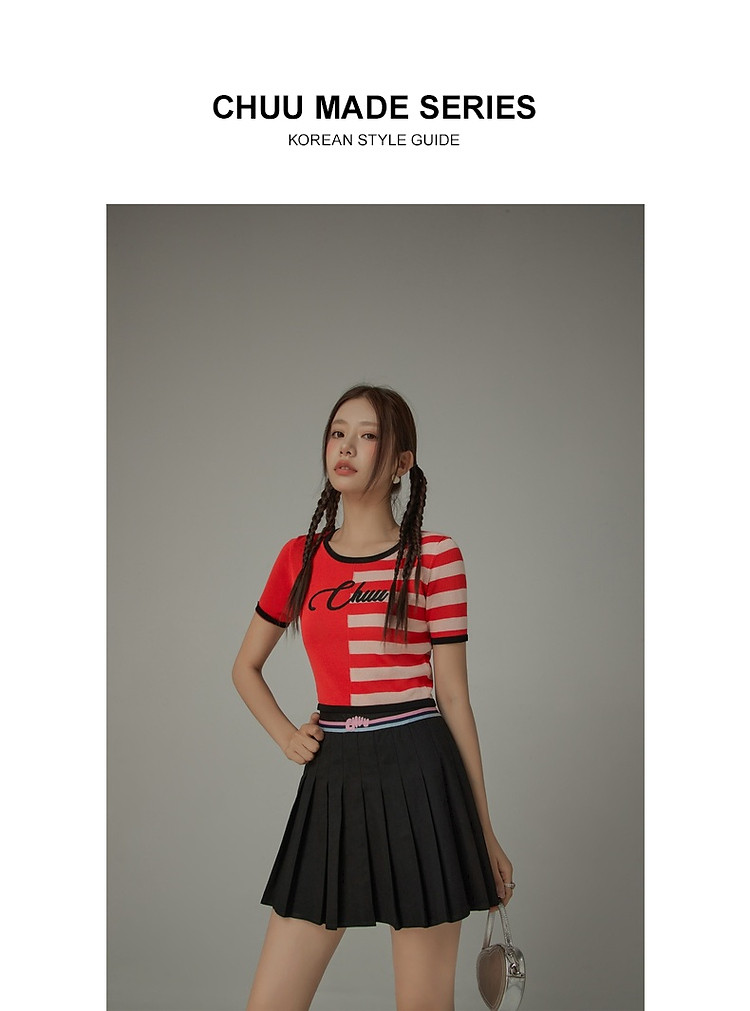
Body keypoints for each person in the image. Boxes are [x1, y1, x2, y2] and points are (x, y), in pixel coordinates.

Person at [232, 383, 514, 1011]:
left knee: (423, 1005)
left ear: (400, 462)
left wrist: (484, 832)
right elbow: (245, 667)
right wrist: (286, 735)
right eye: (338, 433)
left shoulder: (435, 557)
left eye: (368, 436)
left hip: (422, 775)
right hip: (334, 775)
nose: (347, 447)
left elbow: (454, 699)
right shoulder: (299, 558)